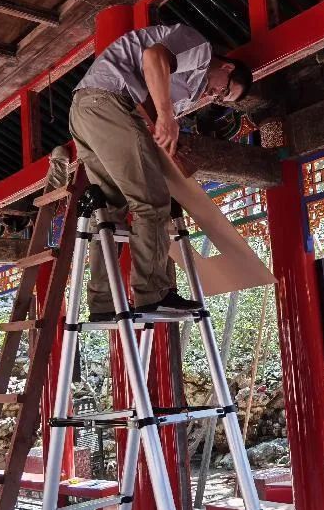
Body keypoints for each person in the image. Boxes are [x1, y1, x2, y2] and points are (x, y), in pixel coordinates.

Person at [69, 24, 253, 319]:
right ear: (227, 67)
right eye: (225, 89)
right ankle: (153, 293)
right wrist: (167, 117)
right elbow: (154, 57)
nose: (216, 95)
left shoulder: (190, 89)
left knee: (110, 211)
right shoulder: (200, 48)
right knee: (153, 203)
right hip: (109, 102)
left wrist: (168, 137)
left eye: (221, 99)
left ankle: (103, 303)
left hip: (87, 110)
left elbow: (149, 114)